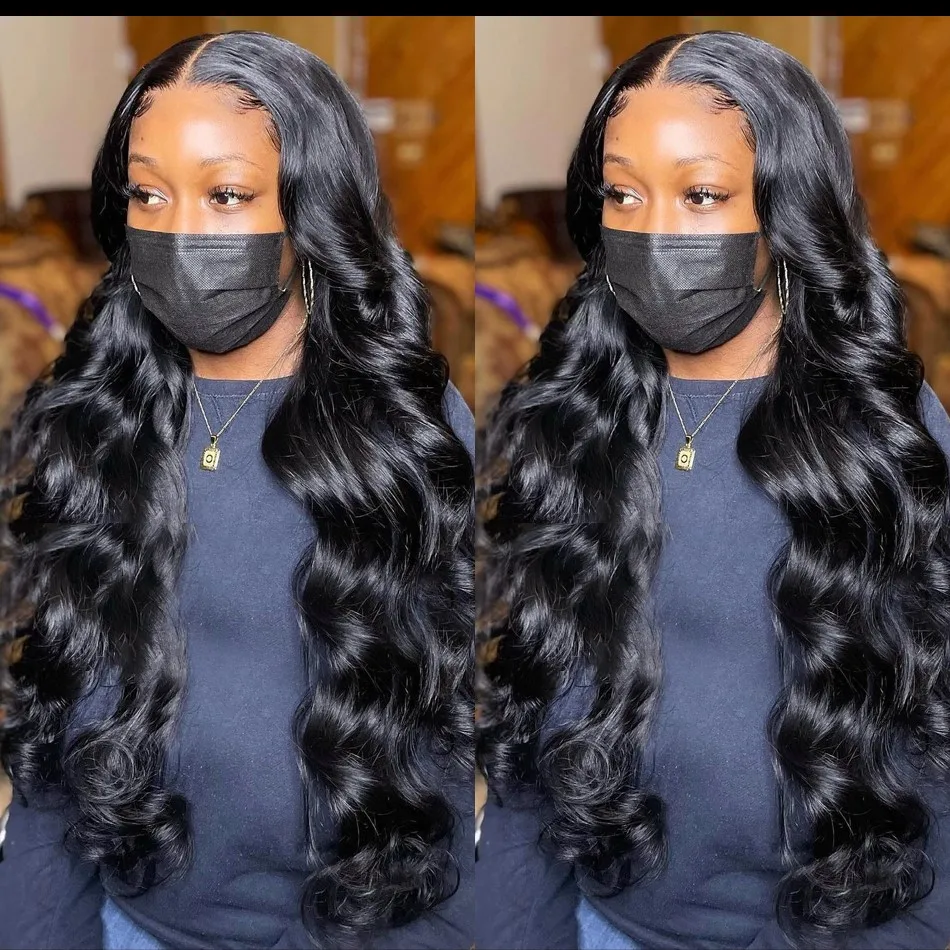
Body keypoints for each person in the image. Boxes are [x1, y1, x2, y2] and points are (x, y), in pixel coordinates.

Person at [475, 30, 950, 950]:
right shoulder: (572, 413)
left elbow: (931, 781)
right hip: (598, 914)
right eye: (623, 194)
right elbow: (532, 728)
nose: (653, 232)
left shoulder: (885, 443)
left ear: (785, 207)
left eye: (700, 195)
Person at [0, 31, 474, 950]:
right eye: (148, 194)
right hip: (122, 913)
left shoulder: (403, 432)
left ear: (310, 207)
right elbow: (52, 723)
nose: (178, 233)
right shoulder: (94, 408)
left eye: (225, 195)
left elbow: (444, 758)